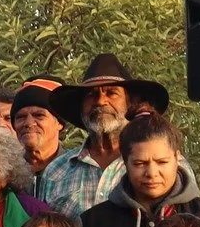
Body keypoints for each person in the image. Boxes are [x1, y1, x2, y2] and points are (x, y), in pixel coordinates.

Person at [43, 54, 171, 218]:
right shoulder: (57, 170)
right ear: (81, 107)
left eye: (111, 93)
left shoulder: (164, 162)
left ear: (130, 104)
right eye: (91, 94)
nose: (100, 101)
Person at [10, 77, 67, 178]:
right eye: (21, 117)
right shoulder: (7, 174)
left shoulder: (77, 170)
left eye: (38, 115)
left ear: (59, 123)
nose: (28, 123)